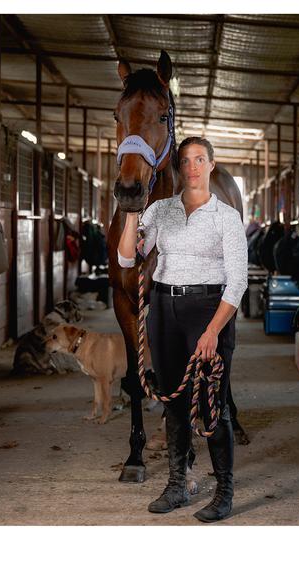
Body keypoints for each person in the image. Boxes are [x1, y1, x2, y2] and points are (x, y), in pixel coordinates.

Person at [117, 137, 248, 523]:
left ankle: (224, 491)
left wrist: (212, 332)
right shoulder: (161, 210)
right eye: (185, 160)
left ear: (211, 165)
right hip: (164, 306)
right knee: (173, 402)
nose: (192, 167)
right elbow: (128, 255)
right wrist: (130, 212)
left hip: (209, 310)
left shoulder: (226, 217)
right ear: (177, 167)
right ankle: (177, 483)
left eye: (199, 159)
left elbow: (237, 283)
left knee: (213, 405)